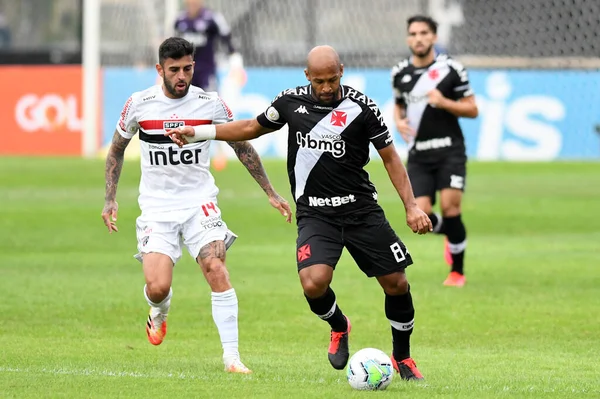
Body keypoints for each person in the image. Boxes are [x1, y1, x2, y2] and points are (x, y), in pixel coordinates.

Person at [167, 45, 432, 381]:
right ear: (308, 76)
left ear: (342, 71)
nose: (325, 87)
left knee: (396, 283)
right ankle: (339, 325)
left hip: (361, 209)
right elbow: (251, 127)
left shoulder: (362, 108)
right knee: (313, 283)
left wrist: (411, 206)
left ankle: (403, 357)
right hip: (316, 214)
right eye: (319, 81)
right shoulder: (290, 103)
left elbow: (391, 158)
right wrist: (199, 133)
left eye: (332, 79)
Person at [101, 37, 292, 374]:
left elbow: (242, 146)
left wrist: (271, 192)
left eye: (187, 68)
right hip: (157, 208)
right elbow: (116, 148)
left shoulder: (210, 103)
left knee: (215, 268)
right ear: (160, 69)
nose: (181, 76)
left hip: (199, 203)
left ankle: (232, 357)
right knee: (158, 287)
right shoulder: (139, 104)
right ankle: (159, 311)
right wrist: (110, 197)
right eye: (174, 69)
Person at [391, 15, 478, 287]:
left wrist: (444, 102)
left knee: (452, 208)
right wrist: (398, 120)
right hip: (419, 154)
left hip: (450, 150)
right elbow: (398, 104)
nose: (418, 38)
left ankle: (457, 272)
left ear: (434, 37)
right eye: (413, 33)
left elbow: (472, 109)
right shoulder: (400, 73)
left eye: (424, 33)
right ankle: (451, 234)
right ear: (408, 39)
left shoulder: (451, 69)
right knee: (422, 217)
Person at [174, 0, 244, 92]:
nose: (193, 2)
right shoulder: (179, 20)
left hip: (207, 71)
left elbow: (227, 39)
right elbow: (171, 46)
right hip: (185, 71)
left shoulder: (212, 18)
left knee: (210, 100)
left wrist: (235, 61)